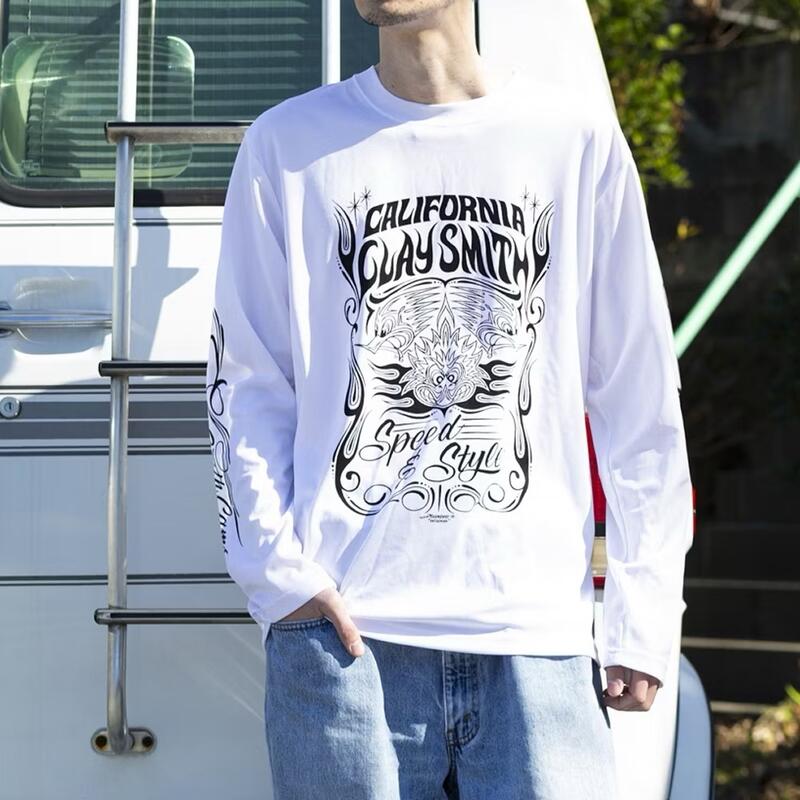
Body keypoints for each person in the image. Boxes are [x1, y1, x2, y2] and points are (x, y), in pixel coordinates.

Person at [204, 1, 694, 797]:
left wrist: (643, 617)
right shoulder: (287, 146)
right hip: (344, 642)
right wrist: (280, 580)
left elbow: (640, 397)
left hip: (537, 644)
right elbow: (248, 382)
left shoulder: (573, 139)